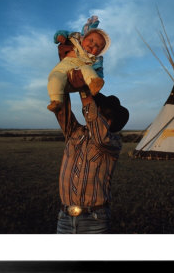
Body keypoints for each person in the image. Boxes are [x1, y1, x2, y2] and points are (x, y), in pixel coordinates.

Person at [53, 69, 129, 234]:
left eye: (96, 109)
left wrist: (84, 92)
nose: (89, 113)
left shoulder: (112, 142)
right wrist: (65, 83)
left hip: (94, 220)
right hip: (64, 218)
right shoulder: (75, 132)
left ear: (108, 119)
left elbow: (99, 135)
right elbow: (62, 112)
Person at [47, 28, 111, 112]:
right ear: (83, 38)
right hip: (62, 71)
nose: (93, 45)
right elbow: (64, 32)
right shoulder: (75, 41)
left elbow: (99, 71)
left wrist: (98, 77)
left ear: (99, 52)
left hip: (77, 77)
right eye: (91, 40)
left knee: (87, 68)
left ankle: (93, 83)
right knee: (54, 78)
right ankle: (56, 101)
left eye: (97, 46)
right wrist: (60, 36)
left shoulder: (94, 59)